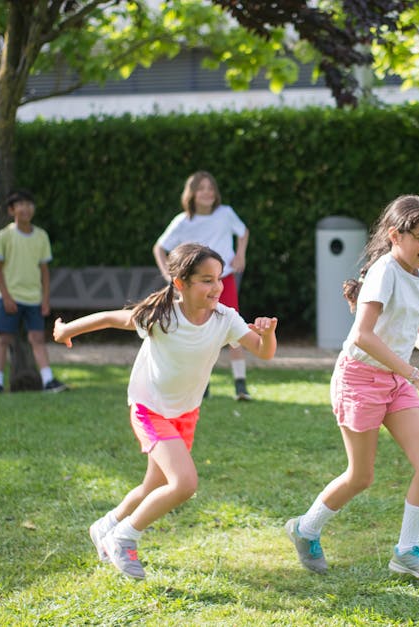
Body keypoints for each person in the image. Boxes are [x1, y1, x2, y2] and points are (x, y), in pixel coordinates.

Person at [53, 243, 278, 580]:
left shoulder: (225, 319)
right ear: (180, 284)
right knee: (184, 483)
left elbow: (264, 352)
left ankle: (106, 525)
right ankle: (124, 538)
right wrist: (67, 330)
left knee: (152, 486)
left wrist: (269, 334)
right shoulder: (161, 316)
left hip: (185, 413)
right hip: (149, 408)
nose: (216, 287)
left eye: (218, 279)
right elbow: (110, 318)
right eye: (205, 280)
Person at [284, 195, 419, 579]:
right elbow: (362, 335)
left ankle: (407, 551)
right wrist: (415, 374)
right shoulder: (384, 271)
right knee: (360, 476)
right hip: (360, 379)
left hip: (394, 380)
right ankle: (305, 528)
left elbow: (404, 323)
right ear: (395, 235)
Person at [152, 171, 254, 401]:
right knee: (201, 330)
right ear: (192, 193)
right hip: (196, 285)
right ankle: (201, 384)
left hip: (224, 280)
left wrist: (240, 254)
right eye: (201, 188)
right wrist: (167, 274)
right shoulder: (183, 221)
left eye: (211, 188)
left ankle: (240, 384)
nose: (207, 192)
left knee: (234, 329)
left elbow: (243, 232)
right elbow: (159, 247)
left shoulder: (226, 214)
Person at [0, 190, 65, 395]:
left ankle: (48, 380)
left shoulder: (41, 236)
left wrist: (45, 299)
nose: (25, 209)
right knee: (3, 339)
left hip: (34, 299)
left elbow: (44, 271)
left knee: (37, 338)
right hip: (9, 297)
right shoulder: (4, 236)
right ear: (12, 210)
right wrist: (6, 296)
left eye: (29, 204)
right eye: (20, 205)